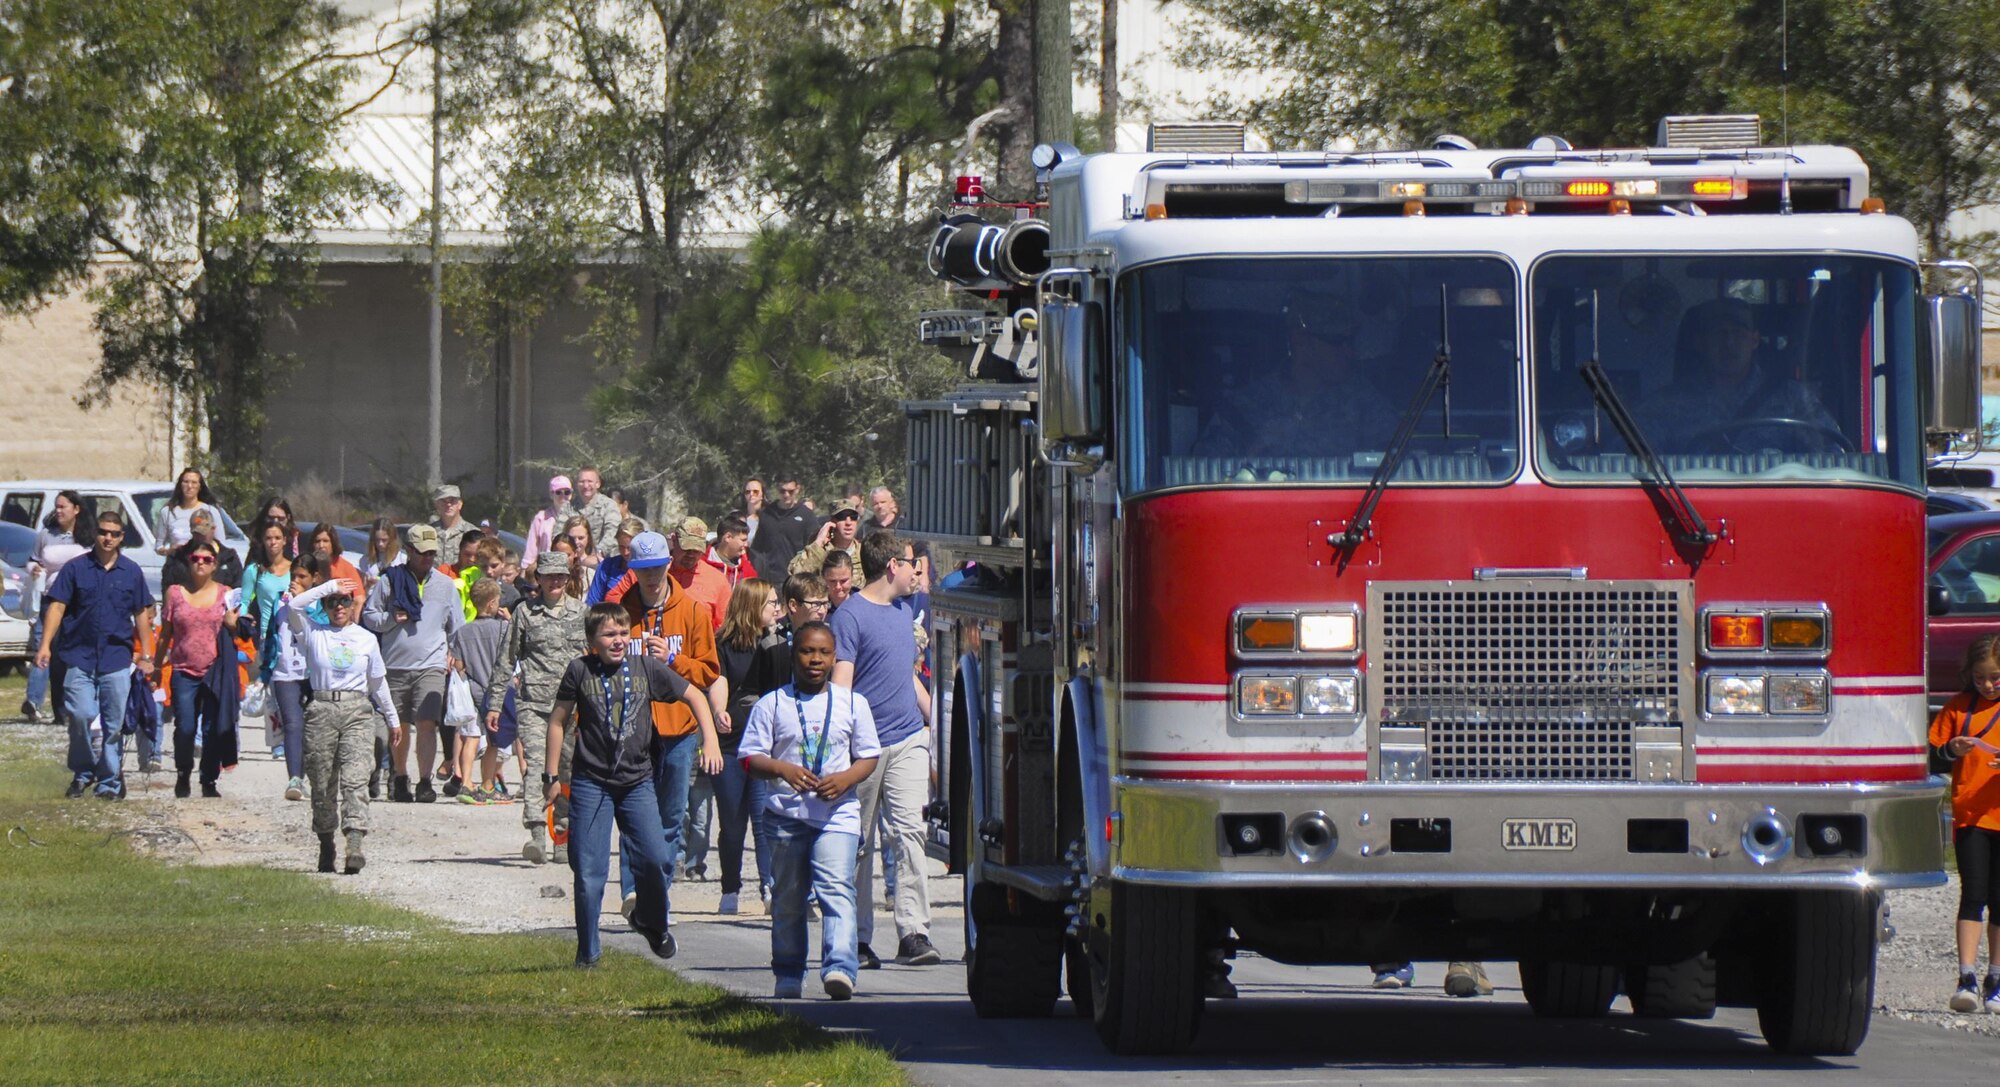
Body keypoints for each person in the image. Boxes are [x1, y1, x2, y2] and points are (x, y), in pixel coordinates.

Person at [545, 602, 719, 967]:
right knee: (590, 874)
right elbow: (558, 721)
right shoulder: (579, 670)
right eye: (609, 634)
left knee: (656, 858)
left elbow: (695, 696)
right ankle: (588, 956)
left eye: (624, 633)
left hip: (637, 782)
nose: (619, 640)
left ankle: (650, 921)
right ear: (592, 639)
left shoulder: (645, 668)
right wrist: (551, 778)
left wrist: (711, 740)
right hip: (592, 782)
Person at [740, 621, 882, 1000]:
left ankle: (839, 967)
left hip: (838, 816)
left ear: (835, 658)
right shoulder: (773, 703)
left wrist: (847, 778)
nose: (815, 660)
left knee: (837, 888)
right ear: (794, 655)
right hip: (785, 817)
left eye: (823, 653)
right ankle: (788, 971)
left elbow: (868, 755)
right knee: (788, 896)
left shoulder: (853, 702)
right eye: (807, 651)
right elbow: (750, 758)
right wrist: (783, 769)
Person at [831, 532, 939, 968]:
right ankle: (855, 938)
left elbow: (905, 677)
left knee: (910, 833)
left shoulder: (904, 614)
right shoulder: (850, 617)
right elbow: (842, 683)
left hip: (909, 739)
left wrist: (937, 722)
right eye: (911, 563)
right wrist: (839, 745)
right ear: (891, 566)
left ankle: (914, 932)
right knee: (858, 843)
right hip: (863, 748)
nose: (917, 571)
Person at [612, 531, 722, 916]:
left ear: (668, 564)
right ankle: (631, 891)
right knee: (632, 812)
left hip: (679, 730)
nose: (651, 576)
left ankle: (657, 893)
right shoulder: (622, 611)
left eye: (657, 567)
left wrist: (674, 662)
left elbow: (708, 672)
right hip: (634, 729)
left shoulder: (692, 611)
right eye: (643, 570)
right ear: (634, 570)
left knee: (671, 816)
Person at [287, 570, 401, 874]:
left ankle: (354, 844)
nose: (339, 606)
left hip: (357, 712)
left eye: (344, 601)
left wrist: (392, 719)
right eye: (333, 602)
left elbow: (377, 682)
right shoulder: (314, 632)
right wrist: (328, 586)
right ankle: (326, 843)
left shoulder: (365, 639)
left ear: (353, 604)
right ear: (324, 606)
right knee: (323, 783)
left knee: (356, 778)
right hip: (322, 708)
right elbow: (294, 606)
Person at [38, 510, 154, 800]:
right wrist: (45, 645)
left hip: (116, 657)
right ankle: (83, 770)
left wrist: (148, 654)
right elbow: (57, 607)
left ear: (121, 537)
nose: (108, 538)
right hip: (79, 655)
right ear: (96, 533)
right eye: (103, 532)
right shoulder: (76, 568)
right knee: (79, 714)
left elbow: (142, 613)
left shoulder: (131, 571)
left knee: (114, 726)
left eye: (114, 533)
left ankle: (109, 783)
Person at [489, 551, 590, 862]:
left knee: (568, 771)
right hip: (534, 703)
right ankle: (535, 833)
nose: (555, 581)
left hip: (572, 707)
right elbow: (507, 659)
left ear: (568, 578)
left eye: (560, 576)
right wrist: (494, 703)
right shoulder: (525, 614)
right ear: (539, 579)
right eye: (548, 576)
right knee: (536, 767)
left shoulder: (581, 613)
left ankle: (562, 835)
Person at [1642, 297, 1839, 451]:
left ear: (1754, 340)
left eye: (1738, 333)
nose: (1729, 343)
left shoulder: (1794, 400)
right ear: (1700, 343)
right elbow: (1630, 463)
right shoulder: (1667, 405)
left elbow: (1831, 461)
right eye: (1719, 333)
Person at [361, 524, 464, 804]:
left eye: (431, 553)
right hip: (394, 665)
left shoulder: (445, 586)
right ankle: (400, 776)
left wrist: (456, 654)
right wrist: (391, 619)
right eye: (422, 553)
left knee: (427, 722)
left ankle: (426, 781)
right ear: (408, 551)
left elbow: (457, 626)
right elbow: (369, 615)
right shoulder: (389, 581)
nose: (427, 558)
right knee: (401, 725)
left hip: (431, 666)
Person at [712, 578, 787, 914]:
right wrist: (717, 713)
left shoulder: (776, 643)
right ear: (752, 605)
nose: (777, 609)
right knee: (731, 823)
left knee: (763, 820)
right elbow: (719, 682)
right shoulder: (723, 644)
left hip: (763, 747)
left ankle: (769, 887)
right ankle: (730, 888)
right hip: (730, 744)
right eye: (771, 603)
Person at [1934, 634, 2000, 1013]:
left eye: (1994, 678)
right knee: (1973, 894)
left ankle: (1995, 978)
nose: (1987, 685)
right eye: (1979, 678)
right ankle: (1967, 977)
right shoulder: (1959, 709)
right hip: (1972, 816)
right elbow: (1930, 756)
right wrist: (1950, 750)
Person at [153, 539, 239, 799]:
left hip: (215, 671)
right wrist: (156, 666)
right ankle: (183, 772)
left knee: (212, 729)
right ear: (188, 562)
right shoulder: (175, 593)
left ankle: (209, 780)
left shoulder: (227, 593)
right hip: (182, 670)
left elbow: (239, 629)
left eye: (207, 559)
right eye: (196, 559)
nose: (201, 563)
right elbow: (165, 633)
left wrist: (233, 624)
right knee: (186, 727)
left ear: (215, 565)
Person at [23, 490, 87, 724]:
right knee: (46, 648)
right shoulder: (45, 535)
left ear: (76, 509)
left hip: (78, 603)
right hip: (50, 598)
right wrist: (34, 570)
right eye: (57, 507)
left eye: (64, 507)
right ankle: (34, 701)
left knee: (70, 656)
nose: (59, 511)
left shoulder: (86, 536)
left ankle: (73, 706)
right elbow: (32, 561)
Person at [266, 555, 325, 804]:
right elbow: (271, 633)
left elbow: (321, 627)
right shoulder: (281, 601)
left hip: (314, 673)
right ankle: (295, 778)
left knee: (317, 727)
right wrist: (264, 669)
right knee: (292, 723)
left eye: (302, 577)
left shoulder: (322, 603)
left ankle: (318, 778)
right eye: (294, 576)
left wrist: (302, 602)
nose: (296, 581)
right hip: (285, 671)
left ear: (315, 579)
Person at [242, 521, 297, 786]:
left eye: (277, 537)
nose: (273, 542)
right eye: (268, 538)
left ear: (285, 540)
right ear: (262, 541)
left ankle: (294, 736)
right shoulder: (255, 570)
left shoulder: (294, 569)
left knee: (292, 689)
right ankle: (278, 741)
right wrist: (241, 620)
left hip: (293, 634)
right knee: (274, 692)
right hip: (267, 636)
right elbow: (243, 601)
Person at [451, 578, 510, 804]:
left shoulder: (463, 632)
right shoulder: (504, 629)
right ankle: (487, 784)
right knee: (493, 742)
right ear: (493, 603)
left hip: (472, 690)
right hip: (496, 692)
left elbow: (458, 665)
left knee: (471, 737)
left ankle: (465, 782)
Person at [749, 475, 818, 578]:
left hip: (796, 578)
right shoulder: (767, 514)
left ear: (797, 489)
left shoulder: (806, 515)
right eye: (782, 491)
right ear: (777, 489)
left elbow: (814, 549)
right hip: (770, 578)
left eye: (791, 491)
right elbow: (757, 548)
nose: (786, 495)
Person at [668, 517, 729, 631]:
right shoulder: (652, 572)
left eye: (696, 550)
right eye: (686, 548)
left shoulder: (717, 580)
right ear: (674, 540)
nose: (691, 554)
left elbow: (724, 628)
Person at [161, 509, 243, 591]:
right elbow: (167, 588)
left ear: (213, 529)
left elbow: (238, 589)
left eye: (203, 533)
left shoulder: (229, 558)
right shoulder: (177, 557)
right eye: (196, 533)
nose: (199, 538)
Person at [152, 467, 221, 554]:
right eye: (186, 482)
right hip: (178, 563)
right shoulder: (168, 512)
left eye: (194, 482)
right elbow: (158, 546)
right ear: (180, 485)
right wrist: (170, 551)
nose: (189, 486)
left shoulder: (211, 511)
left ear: (200, 486)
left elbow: (220, 544)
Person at [789, 500, 863, 576]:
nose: (848, 522)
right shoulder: (820, 552)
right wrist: (818, 541)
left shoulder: (864, 552)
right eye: (842, 517)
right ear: (832, 522)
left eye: (853, 517)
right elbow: (795, 574)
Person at [585, 517, 645, 606]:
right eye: (621, 546)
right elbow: (592, 603)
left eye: (630, 548)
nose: (625, 552)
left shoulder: (649, 569)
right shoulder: (606, 567)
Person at [306, 523, 365, 606]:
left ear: (333, 543)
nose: (321, 545)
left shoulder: (346, 567)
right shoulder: (307, 566)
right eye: (317, 541)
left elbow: (359, 599)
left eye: (325, 541)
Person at [525, 476, 575, 567]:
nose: (563, 496)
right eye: (558, 492)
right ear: (551, 494)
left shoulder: (576, 517)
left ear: (571, 494)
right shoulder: (541, 518)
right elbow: (531, 551)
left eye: (567, 492)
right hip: (546, 568)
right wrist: (526, 569)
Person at [573, 466, 622, 557]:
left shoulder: (609, 505)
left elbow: (613, 534)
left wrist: (597, 553)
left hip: (601, 561)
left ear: (598, 484)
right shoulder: (568, 507)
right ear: (577, 484)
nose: (586, 485)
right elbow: (559, 535)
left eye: (590, 481)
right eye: (582, 482)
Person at [706, 514, 759, 590]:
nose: (746, 544)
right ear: (728, 537)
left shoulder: (747, 571)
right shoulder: (702, 563)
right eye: (743, 540)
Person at [428, 485, 476, 567]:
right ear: (436, 505)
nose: (448, 504)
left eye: (452, 500)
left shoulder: (472, 533)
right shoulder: (428, 532)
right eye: (443, 501)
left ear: (460, 504)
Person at [361, 516, 404, 592]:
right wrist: (367, 584)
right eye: (377, 540)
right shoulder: (366, 560)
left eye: (384, 540)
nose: (380, 544)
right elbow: (362, 590)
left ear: (392, 539)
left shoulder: (402, 559)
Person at [562, 515, 601, 590]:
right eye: (572, 538)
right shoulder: (558, 563)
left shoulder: (596, 564)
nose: (576, 542)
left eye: (581, 538)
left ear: (588, 538)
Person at [738, 478, 765, 551]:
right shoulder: (736, 516)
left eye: (755, 491)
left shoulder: (769, 517)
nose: (751, 494)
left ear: (762, 494)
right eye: (747, 492)